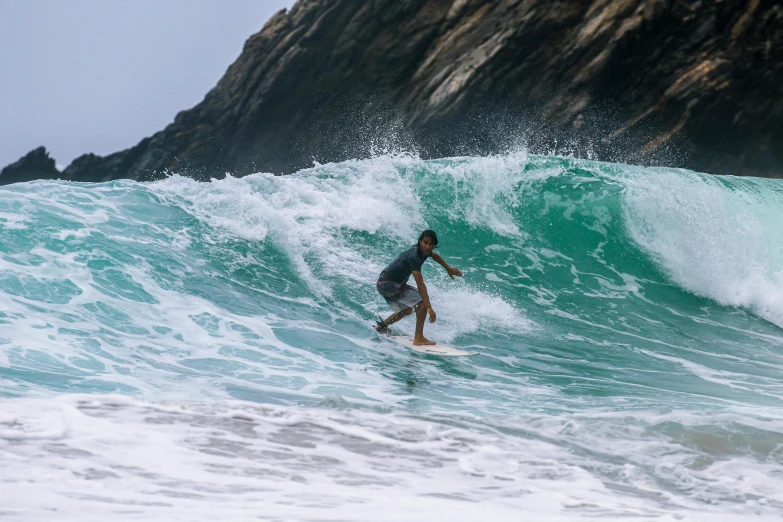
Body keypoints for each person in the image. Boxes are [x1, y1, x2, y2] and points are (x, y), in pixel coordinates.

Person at [374, 230, 463, 345]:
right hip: (388, 284)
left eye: (431, 244)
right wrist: (429, 308)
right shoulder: (415, 256)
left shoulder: (423, 251)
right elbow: (420, 284)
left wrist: (448, 268)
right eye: (425, 242)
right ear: (420, 241)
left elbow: (434, 256)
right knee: (421, 303)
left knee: (406, 310)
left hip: (385, 284)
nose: (427, 246)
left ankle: (381, 326)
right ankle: (419, 338)